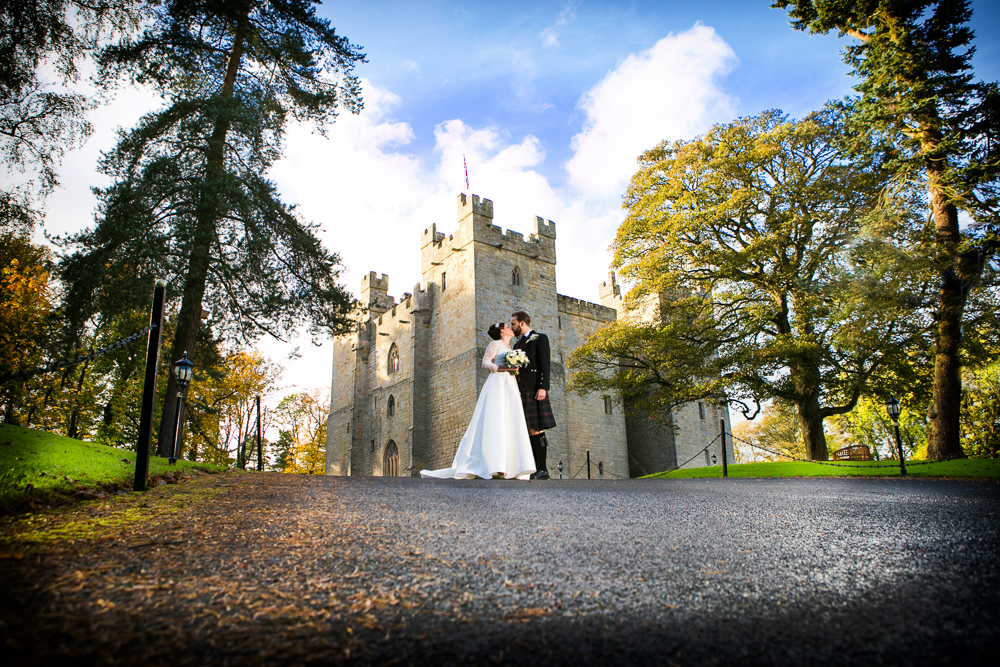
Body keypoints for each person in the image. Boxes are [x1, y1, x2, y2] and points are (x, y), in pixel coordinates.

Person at [420, 322, 536, 480]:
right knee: (495, 419)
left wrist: (515, 368)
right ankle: (496, 466)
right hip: (496, 383)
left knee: (509, 419)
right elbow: (486, 363)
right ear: (502, 331)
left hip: (509, 385)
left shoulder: (511, 349)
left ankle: (509, 466)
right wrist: (505, 368)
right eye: (508, 326)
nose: (511, 328)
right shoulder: (495, 344)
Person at [509, 310, 556, 480]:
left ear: (522, 323)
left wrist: (543, 387)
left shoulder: (539, 338)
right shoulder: (516, 345)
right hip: (521, 389)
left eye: (513, 324)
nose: (511, 327)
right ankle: (534, 468)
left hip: (535, 387)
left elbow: (545, 363)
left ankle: (542, 469)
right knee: (528, 429)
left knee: (536, 428)